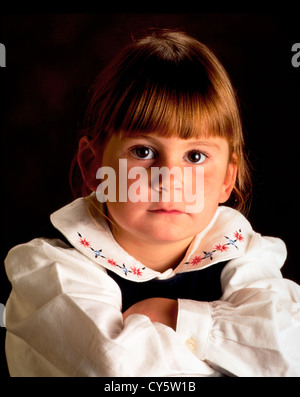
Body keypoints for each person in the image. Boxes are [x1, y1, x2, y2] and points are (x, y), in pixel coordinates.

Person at [4, 30, 300, 377]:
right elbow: (119, 371)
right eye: (143, 152)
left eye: (195, 155)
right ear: (93, 166)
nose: (170, 179)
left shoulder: (245, 254)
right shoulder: (51, 270)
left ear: (227, 180)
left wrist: (177, 317)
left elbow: (290, 352)